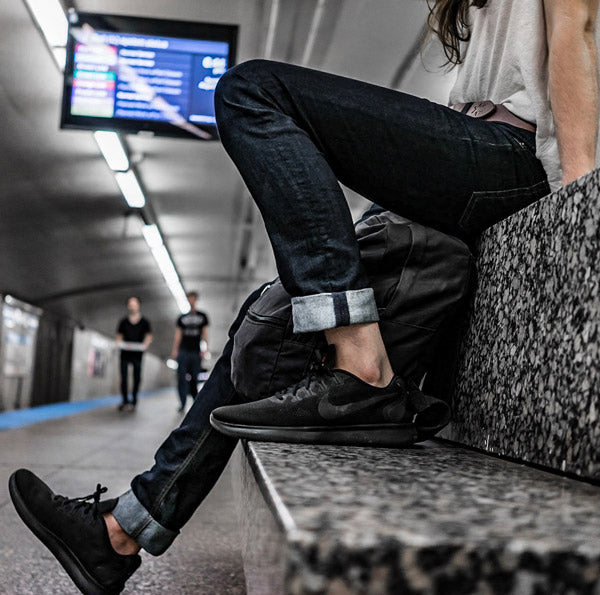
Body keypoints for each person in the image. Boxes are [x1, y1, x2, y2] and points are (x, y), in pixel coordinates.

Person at [8, 1, 599, 593]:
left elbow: (577, 29)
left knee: (253, 91)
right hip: (475, 145)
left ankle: (361, 362)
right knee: (271, 313)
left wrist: (579, 205)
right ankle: (122, 531)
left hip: (513, 154)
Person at [170, 291, 210, 412]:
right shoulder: (182, 317)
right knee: (181, 377)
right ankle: (182, 403)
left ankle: (195, 401)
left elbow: (205, 333)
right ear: (187, 300)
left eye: (193, 298)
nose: (191, 300)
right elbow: (178, 334)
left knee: (194, 377)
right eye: (189, 298)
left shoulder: (202, 316)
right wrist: (175, 350)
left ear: (196, 300)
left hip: (195, 352)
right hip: (183, 351)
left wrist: (205, 349)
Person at [116, 296, 153, 411]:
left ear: (138, 305)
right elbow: (119, 336)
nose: (132, 306)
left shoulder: (145, 322)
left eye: (134, 303)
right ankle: (125, 400)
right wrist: (119, 344)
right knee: (124, 377)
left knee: (137, 377)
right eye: (130, 304)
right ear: (128, 306)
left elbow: (148, 336)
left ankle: (134, 399)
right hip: (125, 353)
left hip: (137, 354)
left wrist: (144, 346)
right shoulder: (123, 322)